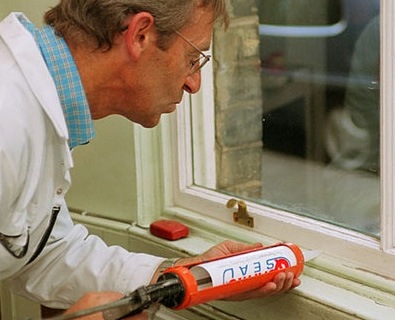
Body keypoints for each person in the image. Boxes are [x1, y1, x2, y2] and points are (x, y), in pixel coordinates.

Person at [0, 0, 300, 318]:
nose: (194, 84)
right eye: (193, 58)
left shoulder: (34, 107)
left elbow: (43, 252)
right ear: (140, 35)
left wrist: (182, 277)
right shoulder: (7, 119)